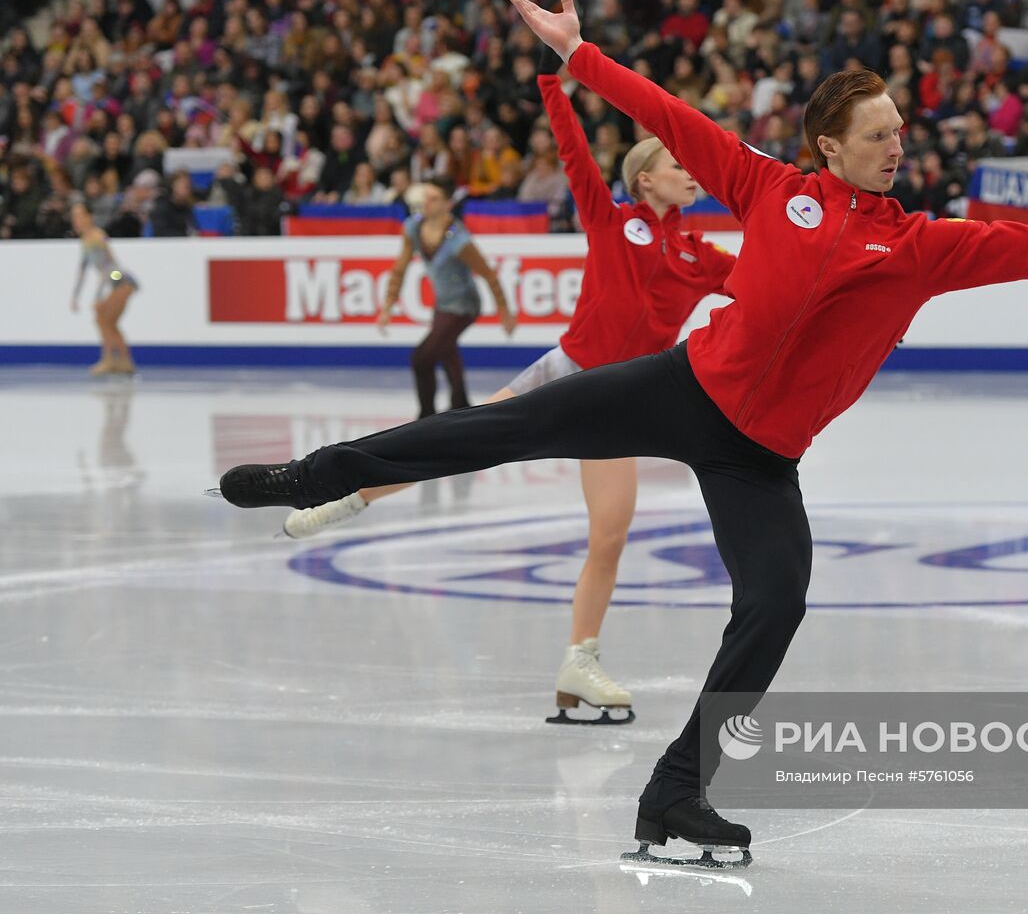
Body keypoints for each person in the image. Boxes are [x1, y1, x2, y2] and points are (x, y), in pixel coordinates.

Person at [216, 0, 1028, 869]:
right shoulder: (770, 187)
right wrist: (573, 53)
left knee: (774, 600)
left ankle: (673, 796)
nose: (901, 145)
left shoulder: (919, 247)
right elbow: (666, 114)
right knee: (501, 427)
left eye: (902, 132)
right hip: (683, 387)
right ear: (828, 147)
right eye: (880, 135)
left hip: (761, 456)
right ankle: (313, 475)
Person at [280, 67, 736, 727]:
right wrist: (554, 79)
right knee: (456, 442)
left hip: (624, 402)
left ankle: (580, 660)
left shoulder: (702, 253)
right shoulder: (613, 222)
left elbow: (768, 289)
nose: (691, 172)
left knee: (609, 535)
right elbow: (574, 149)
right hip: (567, 372)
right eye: (676, 163)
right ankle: (348, 492)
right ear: (644, 179)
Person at [379, 175, 518, 421]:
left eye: (433, 199)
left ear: (447, 204)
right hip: (443, 304)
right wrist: (388, 306)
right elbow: (399, 269)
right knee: (447, 352)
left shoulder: (459, 239)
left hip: (464, 306)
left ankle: (426, 417)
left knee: (422, 358)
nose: (426, 203)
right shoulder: (413, 227)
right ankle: (462, 404)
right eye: (425, 197)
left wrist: (505, 311)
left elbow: (488, 275)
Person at [69, 202, 139, 375]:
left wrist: (99, 296)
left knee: (104, 320)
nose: (76, 221)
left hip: (120, 279)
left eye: (79, 216)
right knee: (107, 322)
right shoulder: (86, 241)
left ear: (89, 217)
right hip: (116, 280)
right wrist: (75, 296)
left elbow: (110, 267)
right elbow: (83, 271)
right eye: (74, 217)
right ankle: (123, 361)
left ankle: (110, 360)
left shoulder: (98, 237)